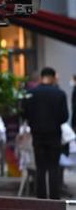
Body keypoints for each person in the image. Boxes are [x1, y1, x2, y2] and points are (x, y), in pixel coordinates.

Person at [22, 67, 69, 199]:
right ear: (53, 77)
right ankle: (54, 198)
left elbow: (24, 114)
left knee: (40, 167)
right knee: (54, 167)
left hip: (37, 135)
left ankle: (41, 198)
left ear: (41, 77)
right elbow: (64, 117)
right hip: (54, 136)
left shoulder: (31, 93)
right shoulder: (60, 94)